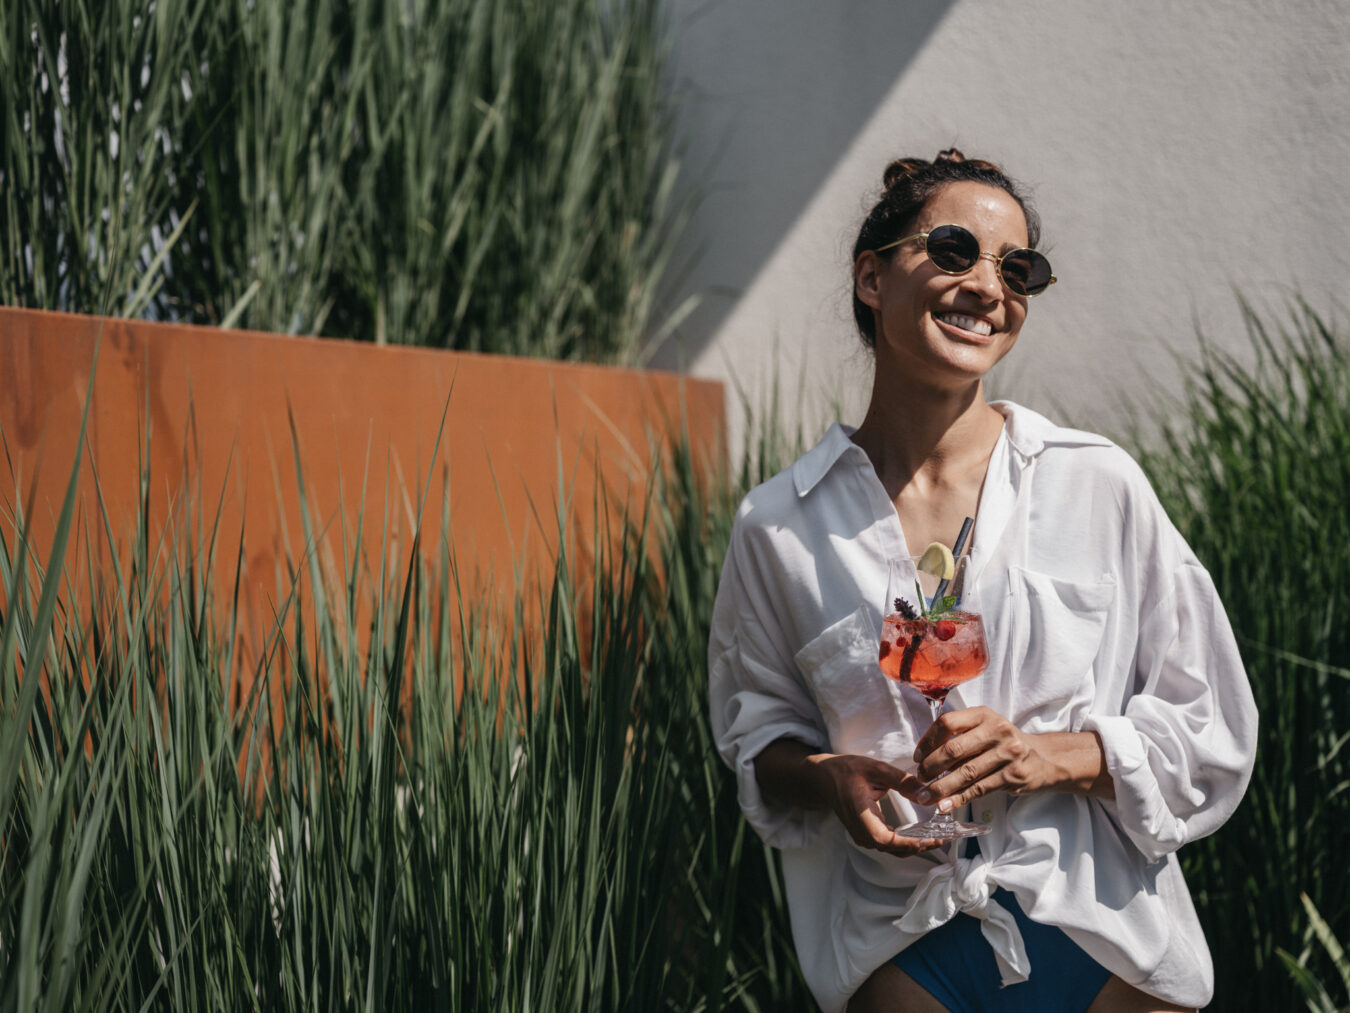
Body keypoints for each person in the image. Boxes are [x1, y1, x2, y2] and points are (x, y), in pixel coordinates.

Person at [707, 149, 1258, 1013]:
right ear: (870, 277)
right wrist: (830, 776)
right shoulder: (779, 525)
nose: (988, 286)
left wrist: (1053, 756)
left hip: (1107, 937)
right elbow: (754, 731)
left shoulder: (1094, 483)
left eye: (1018, 269)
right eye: (955, 248)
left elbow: (1212, 723)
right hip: (902, 944)